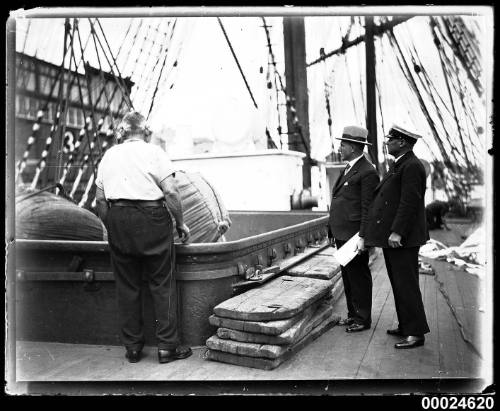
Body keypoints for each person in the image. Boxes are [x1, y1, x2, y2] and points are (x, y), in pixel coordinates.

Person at [94, 110, 192, 364]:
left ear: (122, 132)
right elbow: (171, 191)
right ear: (145, 132)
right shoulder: (155, 153)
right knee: (162, 283)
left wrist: (112, 226)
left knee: (127, 286)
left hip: (119, 219)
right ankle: (167, 347)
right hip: (152, 219)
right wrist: (180, 223)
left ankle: (133, 348)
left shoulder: (109, 156)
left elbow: (100, 200)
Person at [364, 125, 430, 349]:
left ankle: (416, 333)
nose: (387, 142)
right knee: (399, 283)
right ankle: (406, 325)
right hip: (396, 238)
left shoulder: (411, 166)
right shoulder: (401, 163)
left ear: (401, 142)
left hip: (404, 238)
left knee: (407, 284)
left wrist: (397, 231)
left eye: (390, 139)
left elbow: (409, 202)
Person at [328, 126, 379, 332]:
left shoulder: (367, 172)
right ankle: (353, 314)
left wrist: (363, 236)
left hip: (354, 235)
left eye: (343, 144)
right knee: (348, 276)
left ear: (353, 147)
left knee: (358, 277)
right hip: (342, 233)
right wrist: (331, 230)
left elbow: (369, 207)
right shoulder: (349, 168)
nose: (339, 148)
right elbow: (339, 201)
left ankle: (362, 319)